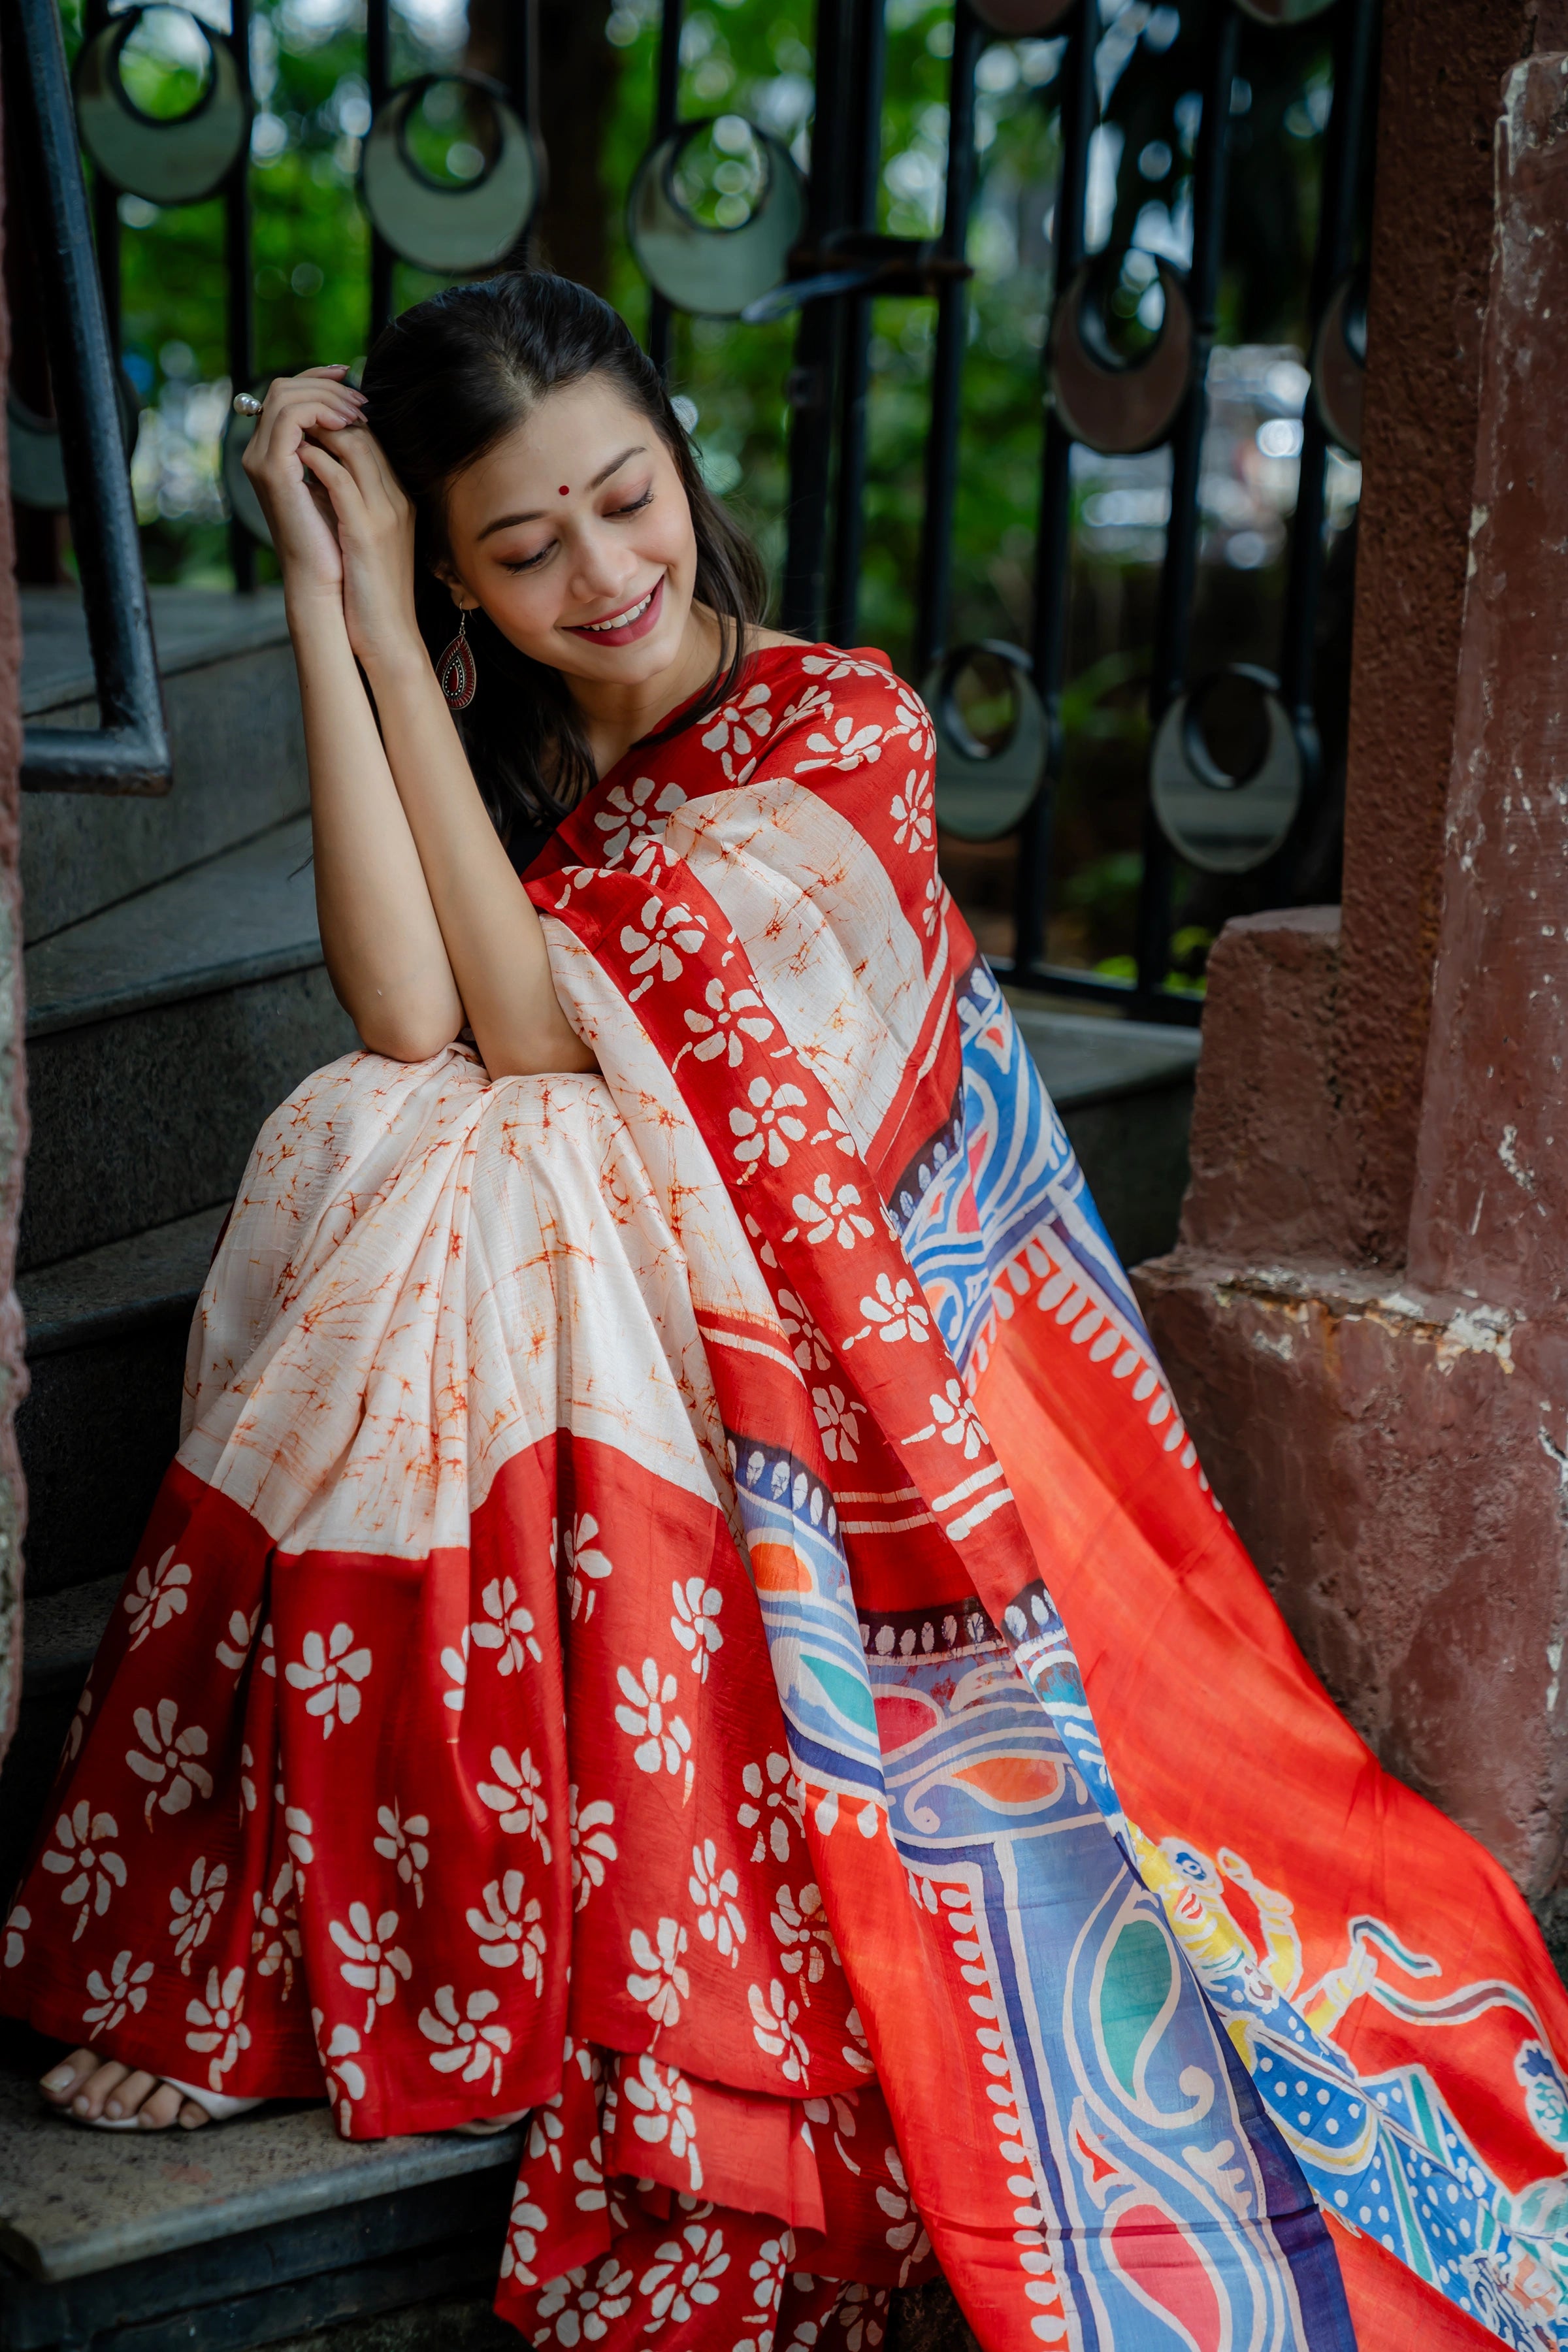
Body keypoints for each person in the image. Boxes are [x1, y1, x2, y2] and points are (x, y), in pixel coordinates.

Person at [3, 273, 1566, 2351]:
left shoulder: (844, 729)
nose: (605, 574)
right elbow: (409, 1011)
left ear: (682, 458)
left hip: (859, 1377)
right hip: (616, 1345)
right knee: (383, 1129)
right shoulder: (509, 735)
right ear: (456, 568)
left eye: (626, 499)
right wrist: (342, 610)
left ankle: (341, 1916)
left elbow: (542, 1039)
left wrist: (421, 671)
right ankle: (365, 1903)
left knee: (469, 1144)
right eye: (520, 551)